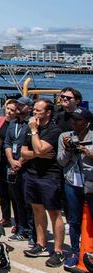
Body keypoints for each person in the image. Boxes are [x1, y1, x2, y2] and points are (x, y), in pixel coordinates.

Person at [21, 99, 64, 267]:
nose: (35, 113)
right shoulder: (31, 130)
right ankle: (41, 243)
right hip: (32, 174)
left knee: (54, 212)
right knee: (37, 209)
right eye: (34, 110)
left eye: (39, 111)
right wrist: (37, 153)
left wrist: (34, 132)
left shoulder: (54, 130)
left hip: (49, 176)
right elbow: (24, 153)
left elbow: (39, 148)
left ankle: (58, 251)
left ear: (48, 112)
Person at [56, 108, 93, 268]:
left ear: (87, 122)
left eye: (78, 120)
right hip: (72, 182)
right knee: (73, 220)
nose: (74, 123)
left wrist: (87, 152)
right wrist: (68, 150)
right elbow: (61, 161)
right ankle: (75, 252)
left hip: (90, 182)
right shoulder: (65, 137)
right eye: (73, 119)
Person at [3, 96, 34, 243]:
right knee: (17, 200)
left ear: (29, 107)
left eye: (22, 106)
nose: (19, 108)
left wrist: (20, 162)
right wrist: (11, 160)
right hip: (12, 165)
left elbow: (32, 146)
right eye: (18, 106)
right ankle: (21, 228)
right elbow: (7, 143)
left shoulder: (32, 124)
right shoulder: (13, 123)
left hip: (26, 166)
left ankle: (31, 230)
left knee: (28, 201)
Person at [0, 99, 16, 228]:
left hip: (11, 161)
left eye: (13, 110)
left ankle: (19, 221)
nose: (9, 112)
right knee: (3, 190)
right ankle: (6, 217)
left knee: (13, 192)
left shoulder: (17, 124)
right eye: (8, 109)